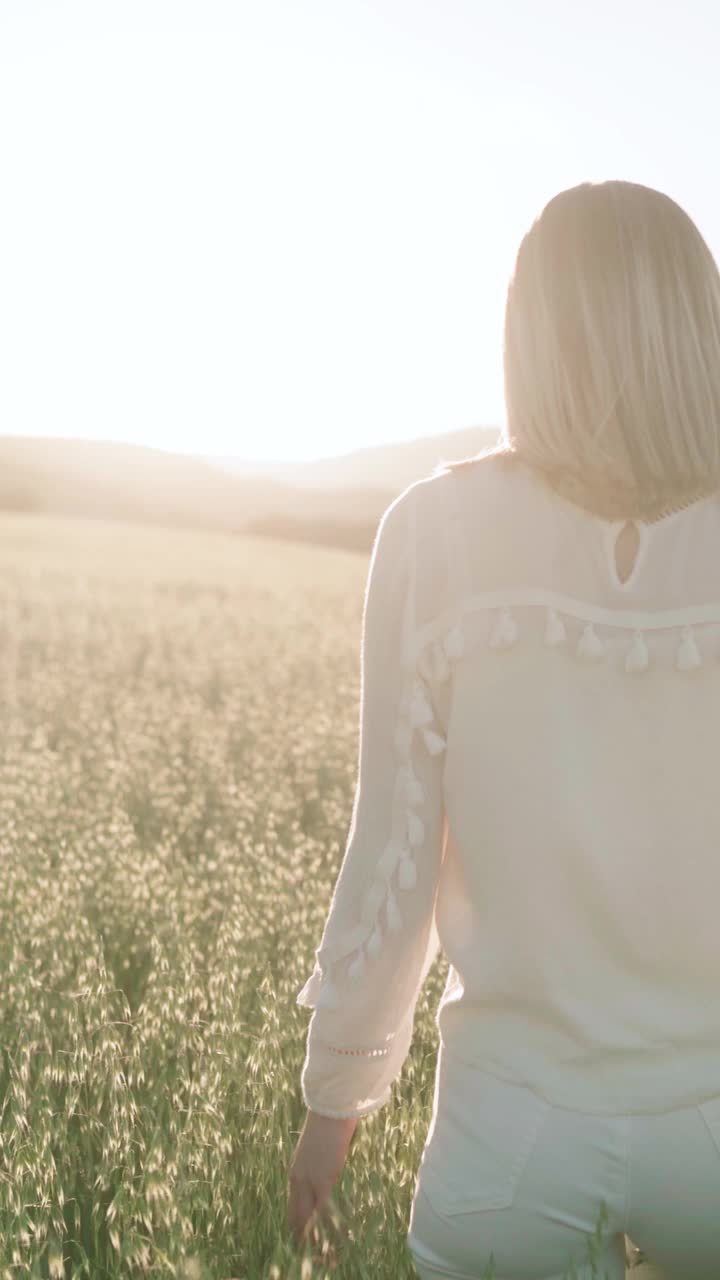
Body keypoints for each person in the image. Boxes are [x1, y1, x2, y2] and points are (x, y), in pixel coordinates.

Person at [287, 180, 720, 1280]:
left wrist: (334, 1102)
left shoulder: (437, 532)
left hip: (509, 1135)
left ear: (528, 333)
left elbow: (392, 853)